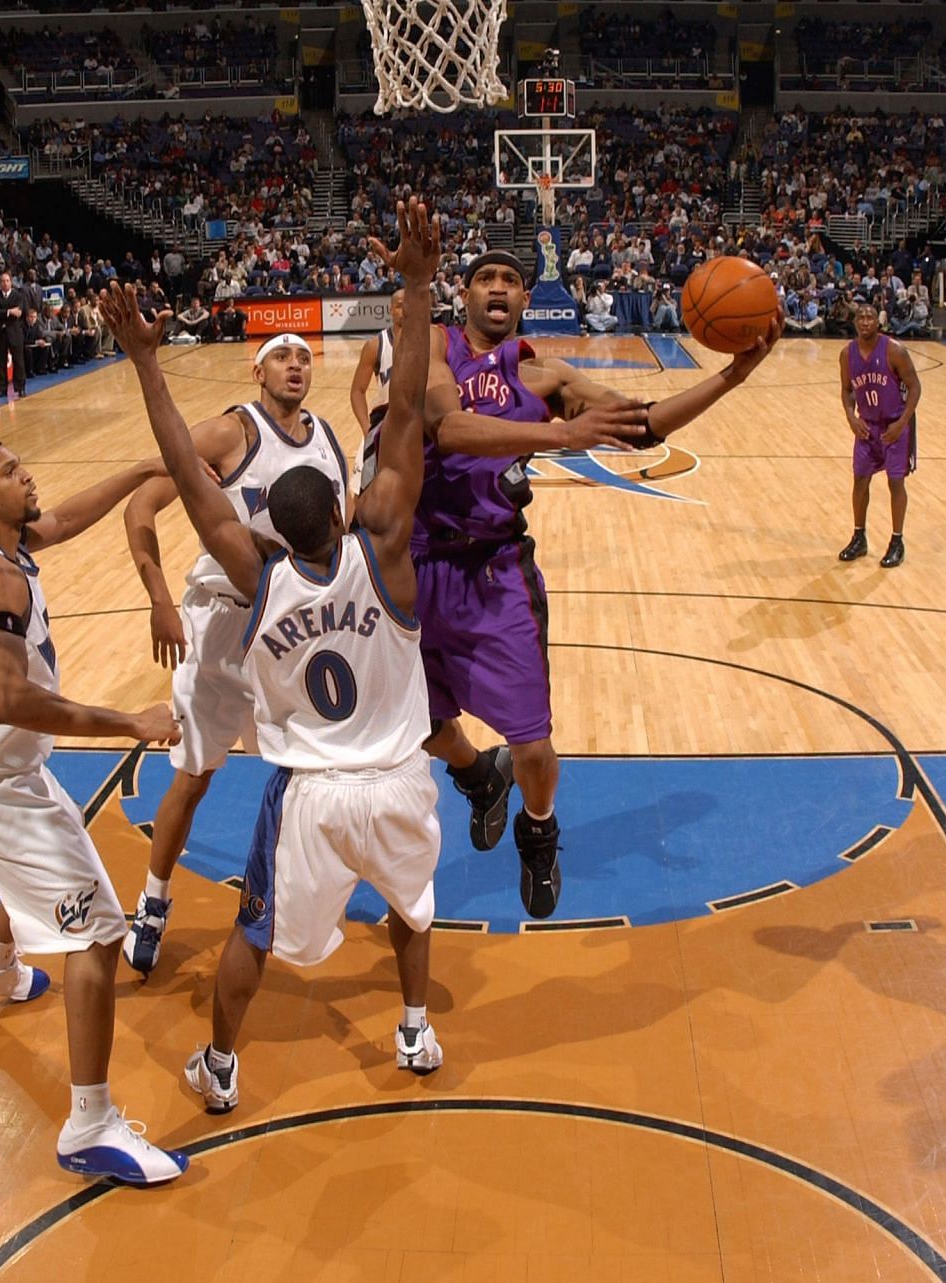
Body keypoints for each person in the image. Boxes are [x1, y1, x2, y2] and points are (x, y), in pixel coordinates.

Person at [100, 197, 448, 1110]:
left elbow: (184, 475)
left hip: (313, 794)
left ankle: (218, 1066)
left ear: (268, 530)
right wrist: (415, 287)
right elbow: (404, 411)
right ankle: (414, 1026)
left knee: (252, 935)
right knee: (412, 906)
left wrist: (146, 363)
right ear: (342, 508)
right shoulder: (391, 554)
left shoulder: (259, 578)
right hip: (400, 775)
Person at [388, 250, 778, 918]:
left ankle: (538, 829)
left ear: (525, 299)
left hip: (493, 568)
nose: (499, 289)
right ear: (466, 293)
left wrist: (732, 377)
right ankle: (478, 775)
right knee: (416, 725)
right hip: (413, 565)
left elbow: (645, 423)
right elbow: (445, 428)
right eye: (487, 278)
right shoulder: (433, 344)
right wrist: (560, 433)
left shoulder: (546, 375)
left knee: (534, 746)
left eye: (511, 281)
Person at [0, 438, 187, 1185]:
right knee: (95, 934)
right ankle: (89, 1125)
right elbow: (7, 698)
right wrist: (129, 720)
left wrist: (140, 468)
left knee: (43, 864)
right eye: (8, 470)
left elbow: (58, 522)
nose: (27, 472)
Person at [119, 329, 346, 974]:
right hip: (220, 625)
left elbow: (343, 533)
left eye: (304, 357)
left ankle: (305, 898)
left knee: (318, 772)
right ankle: (154, 900)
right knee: (194, 777)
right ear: (257, 370)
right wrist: (160, 598)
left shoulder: (329, 442)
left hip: (293, 631)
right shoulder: (230, 432)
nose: (296, 365)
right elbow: (143, 502)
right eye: (282, 355)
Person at [837, 302, 922, 568]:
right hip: (866, 427)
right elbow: (847, 390)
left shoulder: (894, 350)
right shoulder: (846, 354)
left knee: (895, 484)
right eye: (860, 317)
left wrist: (902, 423)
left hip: (895, 426)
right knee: (859, 481)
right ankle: (859, 537)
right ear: (855, 323)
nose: (865, 322)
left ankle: (897, 541)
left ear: (878, 322)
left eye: (870, 317)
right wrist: (851, 418)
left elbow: (915, 388)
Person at [348, 289, 403, 446]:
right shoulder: (376, 345)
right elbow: (357, 391)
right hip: (385, 426)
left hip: (421, 426)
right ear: (390, 310)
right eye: (399, 306)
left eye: (409, 305)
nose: (405, 310)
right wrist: (367, 429)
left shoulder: (430, 341)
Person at [0, 271, 28, 397]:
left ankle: (20, 388)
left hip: (14, 332)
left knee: (18, 361)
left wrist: (4, 312)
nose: (5, 283)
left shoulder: (18, 295)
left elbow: (20, 312)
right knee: (0, 362)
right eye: (2, 281)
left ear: (11, 282)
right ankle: (2, 389)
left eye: (7, 281)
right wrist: (10, 311)